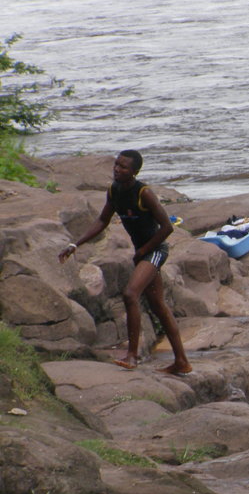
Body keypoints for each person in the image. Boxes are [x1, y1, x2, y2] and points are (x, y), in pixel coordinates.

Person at [58, 149, 192, 374]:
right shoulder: (114, 190)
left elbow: (167, 227)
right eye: (116, 165)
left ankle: (132, 356)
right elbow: (102, 220)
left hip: (155, 251)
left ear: (134, 172)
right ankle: (182, 362)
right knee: (159, 306)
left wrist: (144, 251)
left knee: (130, 294)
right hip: (142, 252)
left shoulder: (144, 193)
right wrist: (75, 244)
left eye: (123, 167)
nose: (117, 170)